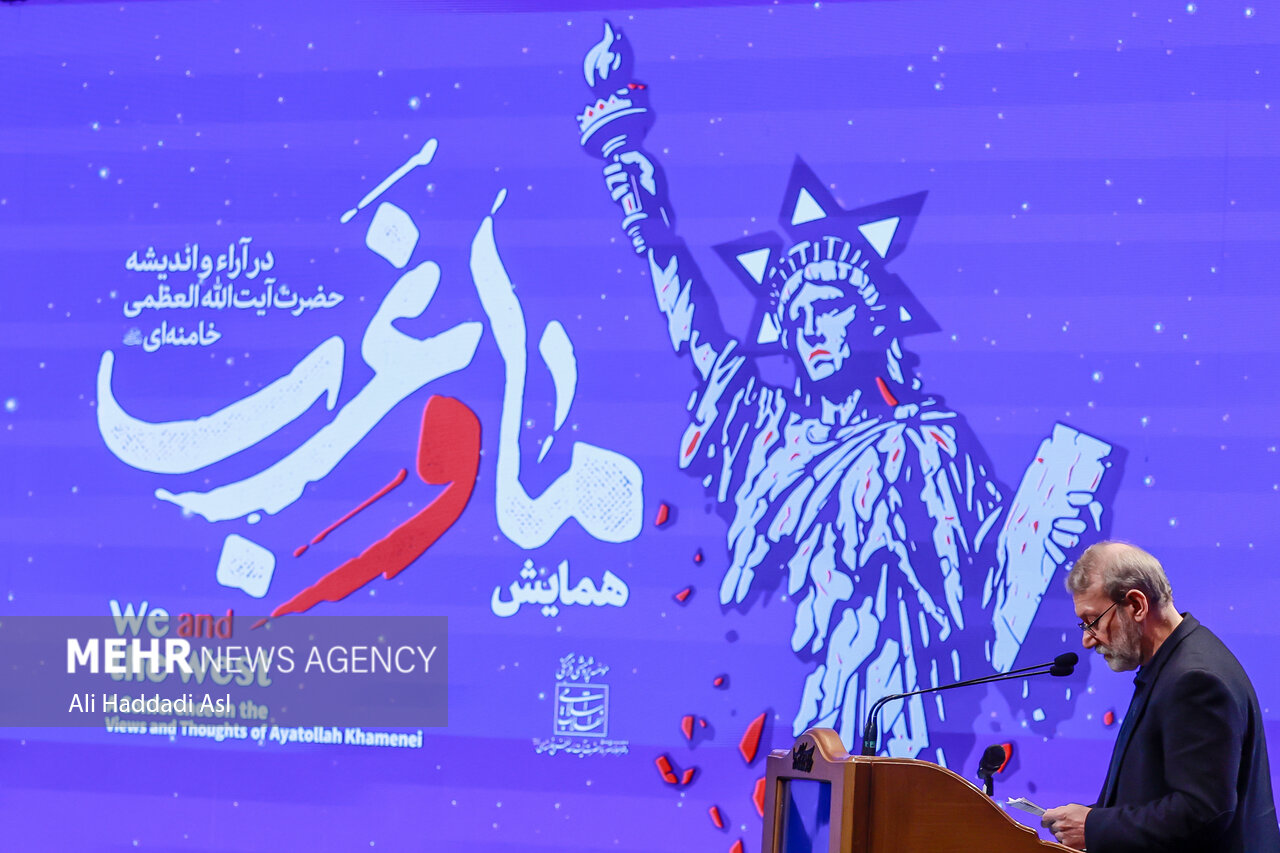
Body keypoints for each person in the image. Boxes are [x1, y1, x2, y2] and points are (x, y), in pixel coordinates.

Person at [1042, 541, 1280, 851]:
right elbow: (1156, 793)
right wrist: (1088, 819)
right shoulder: (1173, 664)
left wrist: (1095, 827)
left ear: (1137, 605)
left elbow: (1202, 811)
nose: (1087, 640)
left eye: (1093, 620)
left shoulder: (1195, 680)